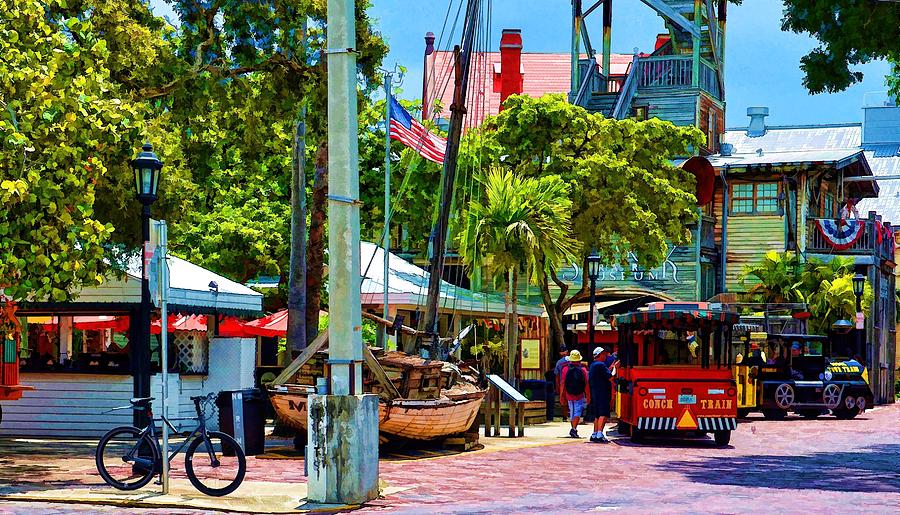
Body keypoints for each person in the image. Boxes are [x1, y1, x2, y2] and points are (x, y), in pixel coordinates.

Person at [559, 350, 590, 438]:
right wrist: (588, 395)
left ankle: (573, 428)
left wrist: (561, 395)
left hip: (569, 394)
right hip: (579, 394)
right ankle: (574, 429)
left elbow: (562, 383)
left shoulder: (565, 369)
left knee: (572, 411)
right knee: (578, 411)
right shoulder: (583, 370)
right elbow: (586, 384)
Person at [588, 347, 616, 443]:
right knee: (603, 414)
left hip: (596, 393)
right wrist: (615, 368)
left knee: (597, 415)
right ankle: (600, 434)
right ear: (599, 355)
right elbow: (610, 377)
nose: (605, 356)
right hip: (603, 393)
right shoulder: (600, 365)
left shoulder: (593, 365)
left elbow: (603, 374)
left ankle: (595, 433)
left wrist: (611, 368)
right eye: (604, 354)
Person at [552, 344, 569, 421]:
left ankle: (565, 416)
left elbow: (557, 376)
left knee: (564, 400)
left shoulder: (559, 362)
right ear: (567, 352)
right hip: (573, 382)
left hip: (563, 382)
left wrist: (557, 386)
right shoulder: (573, 360)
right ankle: (573, 415)